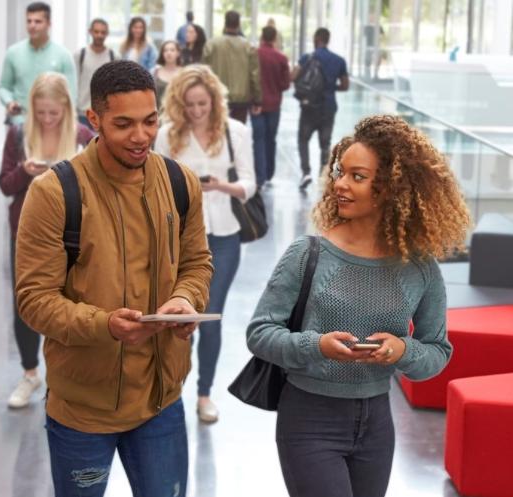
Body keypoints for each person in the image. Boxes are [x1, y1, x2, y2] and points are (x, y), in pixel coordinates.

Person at [16, 60, 213, 497]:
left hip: (161, 400)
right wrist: (103, 325)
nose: (141, 136)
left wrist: (185, 299)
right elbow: (34, 299)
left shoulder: (180, 183)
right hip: (82, 410)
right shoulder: (54, 193)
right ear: (94, 119)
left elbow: (197, 263)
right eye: (123, 124)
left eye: (150, 121)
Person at [247, 115, 471, 497]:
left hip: (377, 423)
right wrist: (315, 345)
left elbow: (437, 351)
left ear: (391, 188)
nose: (340, 184)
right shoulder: (308, 252)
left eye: (357, 176)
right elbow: (260, 333)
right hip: (309, 417)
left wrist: (402, 350)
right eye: (340, 172)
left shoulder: (419, 267)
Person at [155, 65, 256, 423]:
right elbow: (156, 184)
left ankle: (203, 393)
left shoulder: (236, 132)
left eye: (203, 103)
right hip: (179, 236)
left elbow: (249, 184)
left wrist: (220, 186)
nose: (197, 111)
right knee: (179, 317)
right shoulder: (167, 135)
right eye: (190, 105)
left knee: (209, 318)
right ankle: (172, 392)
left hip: (225, 235)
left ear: (214, 100)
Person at [0, 72, 94, 409]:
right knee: (26, 304)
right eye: (41, 113)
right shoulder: (18, 134)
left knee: (72, 302)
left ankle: (65, 376)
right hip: (27, 232)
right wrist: (25, 170)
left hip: (74, 232)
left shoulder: (84, 136)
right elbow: (5, 186)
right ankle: (29, 372)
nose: (48, 119)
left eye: (54, 113)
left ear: (67, 109)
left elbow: (100, 187)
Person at [0, 2, 77, 126]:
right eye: (29, 21)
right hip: (21, 122)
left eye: (37, 21)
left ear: (49, 24)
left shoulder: (63, 55)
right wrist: (9, 102)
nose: (32, 25)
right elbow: (4, 87)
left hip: (52, 125)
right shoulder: (13, 53)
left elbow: (71, 94)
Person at [293, 27, 349, 190]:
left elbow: (293, 77)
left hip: (309, 106)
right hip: (328, 107)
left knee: (303, 139)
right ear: (328, 40)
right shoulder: (339, 60)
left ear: (316, 39)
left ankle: (306, 173)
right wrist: (330, 88)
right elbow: (345, 86)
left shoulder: (306, 58)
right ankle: (324, 176)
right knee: (325, 144)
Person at [203, 10, 262, 125]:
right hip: (241, 99)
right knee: (237, 135)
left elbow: (203, 71)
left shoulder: (211, 44)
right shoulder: (248, 47)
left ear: (225, 23)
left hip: (216, 96)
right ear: (239, 24)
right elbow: (254, 75)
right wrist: (257, 100)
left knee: (216, 132)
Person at [254, 25, 290, 188]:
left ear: (262, 37)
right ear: (275, 39)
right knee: (271, 139)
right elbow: (285, 84)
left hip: (256, 104)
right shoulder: (281, 58)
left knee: (258, 139)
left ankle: (259, 175)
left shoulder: (254, 55)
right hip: (274, 104)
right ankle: (269, 173)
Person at [75, 18, 117, 128]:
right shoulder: (80, 55)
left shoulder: (113, 56)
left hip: (105, 113)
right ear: (90, 32)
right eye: (96, 31)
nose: (99, 35)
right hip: (82, 112)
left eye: (103, 32)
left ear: (107, 34)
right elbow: (74, 82)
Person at [153, 40, 183, 111]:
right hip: (159, 114)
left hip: (178, 115)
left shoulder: (184, 73)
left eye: (172, 50)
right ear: (162, 54)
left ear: (178, 53)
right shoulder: (155, 72)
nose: (169, 53)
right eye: (165, 50)